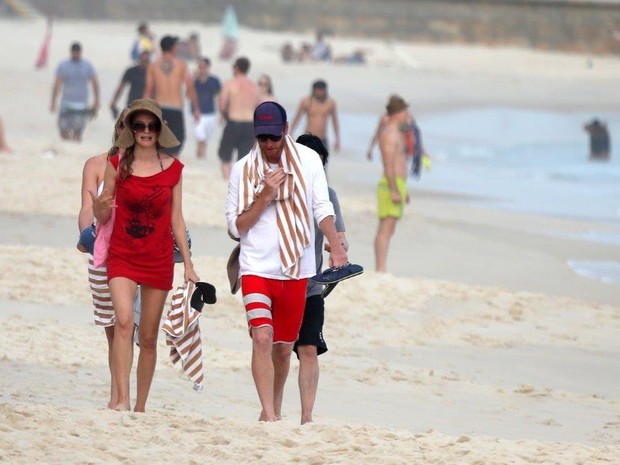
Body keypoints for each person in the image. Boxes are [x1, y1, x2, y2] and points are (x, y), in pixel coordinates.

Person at [225, 101, 348, 422]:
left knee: (283, 348)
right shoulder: (242, 170)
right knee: (262, 337)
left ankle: (273, 408)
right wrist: (265, 194)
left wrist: (336, 247)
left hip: (297, 270)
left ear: (286, 131)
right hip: (256, 268)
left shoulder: (308, 162)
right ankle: (270, 413)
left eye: (273, 138)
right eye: (262, 138)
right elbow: (235, 227)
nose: (268, 145)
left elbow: (323, 208)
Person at [91, 99, 199, 412]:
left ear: (160, 129)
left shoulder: (174, 169)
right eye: (139, 126)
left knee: (148, 337)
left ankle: (140, 407)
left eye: (151, 126)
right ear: (130, 129)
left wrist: (189, 265)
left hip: (158, 258)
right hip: (122, 255)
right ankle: (121, 400)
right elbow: (103, 213)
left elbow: (177, 218)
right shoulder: (117, 164)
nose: (146, 132)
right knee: (124, 322)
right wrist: (98, 207)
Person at [292, 134, 348, 425]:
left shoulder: (327, 194)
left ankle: (306, 417)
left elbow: (340, 239)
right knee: (275, 348)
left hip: (311, 286)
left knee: (309, 348)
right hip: (280, 282)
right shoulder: (283, 189)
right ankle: (271, 411)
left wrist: (336, 248)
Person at [77, 109, 127, 408]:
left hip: (139, 251)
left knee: (134, 329)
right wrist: (86, 234)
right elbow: (86, 207)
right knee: (115, 330)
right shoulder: (95, 164)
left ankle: (126, 397)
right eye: (125, 125)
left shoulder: (152, 167)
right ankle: (118, 396)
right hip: (104, 253)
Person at [143, 35, 200, 157]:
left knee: (158, 145)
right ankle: (171, 172)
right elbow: (190, 87)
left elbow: (148, 90)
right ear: (173, 48)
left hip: (159, 109)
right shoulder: (181, 64)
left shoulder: (153, 65)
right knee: (176, 145)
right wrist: (196, 109)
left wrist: (143, 110)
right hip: (176, 109)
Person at [374, 95, 411, 273]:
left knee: (391, 227)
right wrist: (394, 190)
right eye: (405, 111)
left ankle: (382, 266)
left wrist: (404, 189)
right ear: (398, 113)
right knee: (386, 227)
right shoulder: (389, 134)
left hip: (398, 184)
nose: (407, 115)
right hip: (390, 184)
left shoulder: (398, 133)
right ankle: (380, 268)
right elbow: (388, 166)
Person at [217, 56, 259, 180]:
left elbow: (222, 104)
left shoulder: (230, 83)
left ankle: (227, 179)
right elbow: (258, 106)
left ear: (236, 68)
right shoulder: (254, 86)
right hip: (249, 124)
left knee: (225, 156)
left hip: (233, 123)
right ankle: (240, 181)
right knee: (244, 157)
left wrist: (224, 116)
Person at [50, 41, 100, 142]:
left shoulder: (87, 65)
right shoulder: (64, 65)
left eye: (77, 52)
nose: (76, 54)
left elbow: (94, 83)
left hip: (81, 104)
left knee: (78, 131)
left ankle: (75, 149)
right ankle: (68, 145)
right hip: (66, 102)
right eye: (74, 52)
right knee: (63, 129)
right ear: (71, 52)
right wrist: (53, 101)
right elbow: (57, 84)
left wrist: (96, 100)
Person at [290, 80, 341, 153]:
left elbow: (335, 121)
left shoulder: (330, 103)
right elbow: (297, 118)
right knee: (305, 162)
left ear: (325, 90)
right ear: (313, 90)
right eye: (318, 90)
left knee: (322, 163)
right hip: (308, 138)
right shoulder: (306, 101)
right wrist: (290, 133)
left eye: (322, 90)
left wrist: (337, 140)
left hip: (322, 139)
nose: (320, 92)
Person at [192, 57, 221, 159]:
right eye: (200, 67)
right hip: (197, 113)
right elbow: (188, 95)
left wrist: (221, 114)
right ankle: (200, 156)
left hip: (210, 113)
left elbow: (219, 97)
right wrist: (192, 79)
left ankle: (201, 154)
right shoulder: (194, 81)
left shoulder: (214, 81)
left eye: (203, 67)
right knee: (200, 136)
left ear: (208, 67)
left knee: (206, 137)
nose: (201, 69)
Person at [109, 50, 150, 120]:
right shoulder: (131, 71)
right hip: (132, 104)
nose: (144, 64)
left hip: (148, 106)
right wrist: (113, 103)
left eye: (146, 62)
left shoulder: (152, 73)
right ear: (139, 60)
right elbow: (120, 87)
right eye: (143, 61)